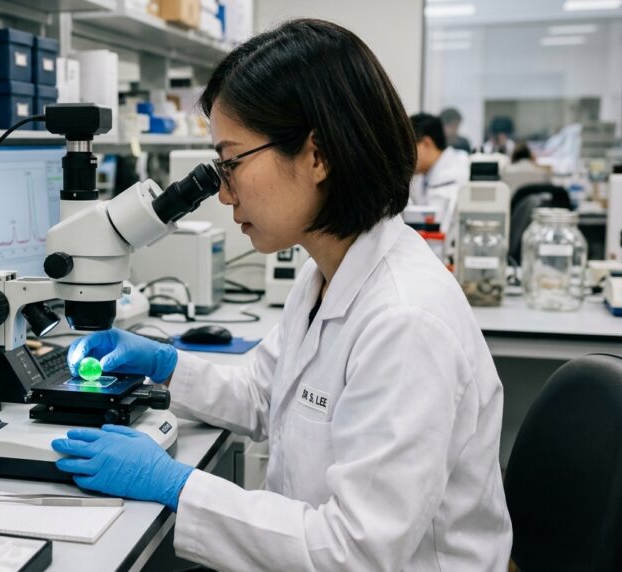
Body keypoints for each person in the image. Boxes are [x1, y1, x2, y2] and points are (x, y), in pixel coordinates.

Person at [54, 19, 512, 571]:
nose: (223, 193)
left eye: (232, 162)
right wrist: (165, 367)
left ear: (317, 156)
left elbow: (355, 555)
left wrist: (177, 486)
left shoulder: (406, 320)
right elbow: (266, 394)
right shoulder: (328, 269)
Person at [410, 112, 471, 227]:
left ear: (426, 144)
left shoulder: (457, 173)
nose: (405, 155)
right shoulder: (423, 175)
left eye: (408, 148)